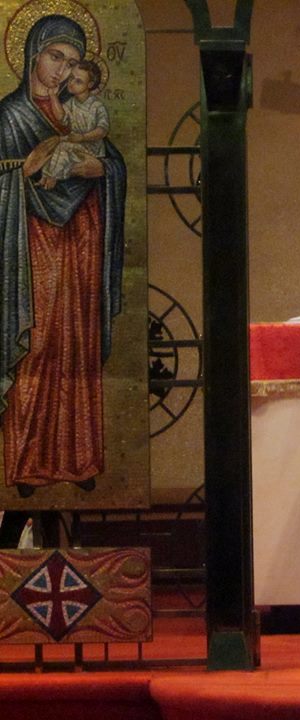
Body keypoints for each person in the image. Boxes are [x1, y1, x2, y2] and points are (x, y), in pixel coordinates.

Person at [0, 14, 127, 498]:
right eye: (56, 57)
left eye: (72, 63)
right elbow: (11, 176)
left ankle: (79, 459)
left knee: (78, 344)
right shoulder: (10, 116)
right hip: (32, 246)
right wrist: (29, 170)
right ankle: (28, 462)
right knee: (40, 343)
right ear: (33, 54)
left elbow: (110, 166)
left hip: (83, 242)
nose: (61, 71)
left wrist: (102, 168)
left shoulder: (78, 112)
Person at [40, 59, 110, 190]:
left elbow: (102, 130)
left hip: (91, 148)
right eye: (71, 78)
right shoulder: (71, 103)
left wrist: (82, 137)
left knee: (63, 148)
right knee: (55, 148)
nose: (71, 83)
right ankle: (45, 178)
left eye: (78, 81)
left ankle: (51, 179)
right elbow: (61, 117)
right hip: (76, 143)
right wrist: (53, 96)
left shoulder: (96, 106)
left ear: (90, 84)